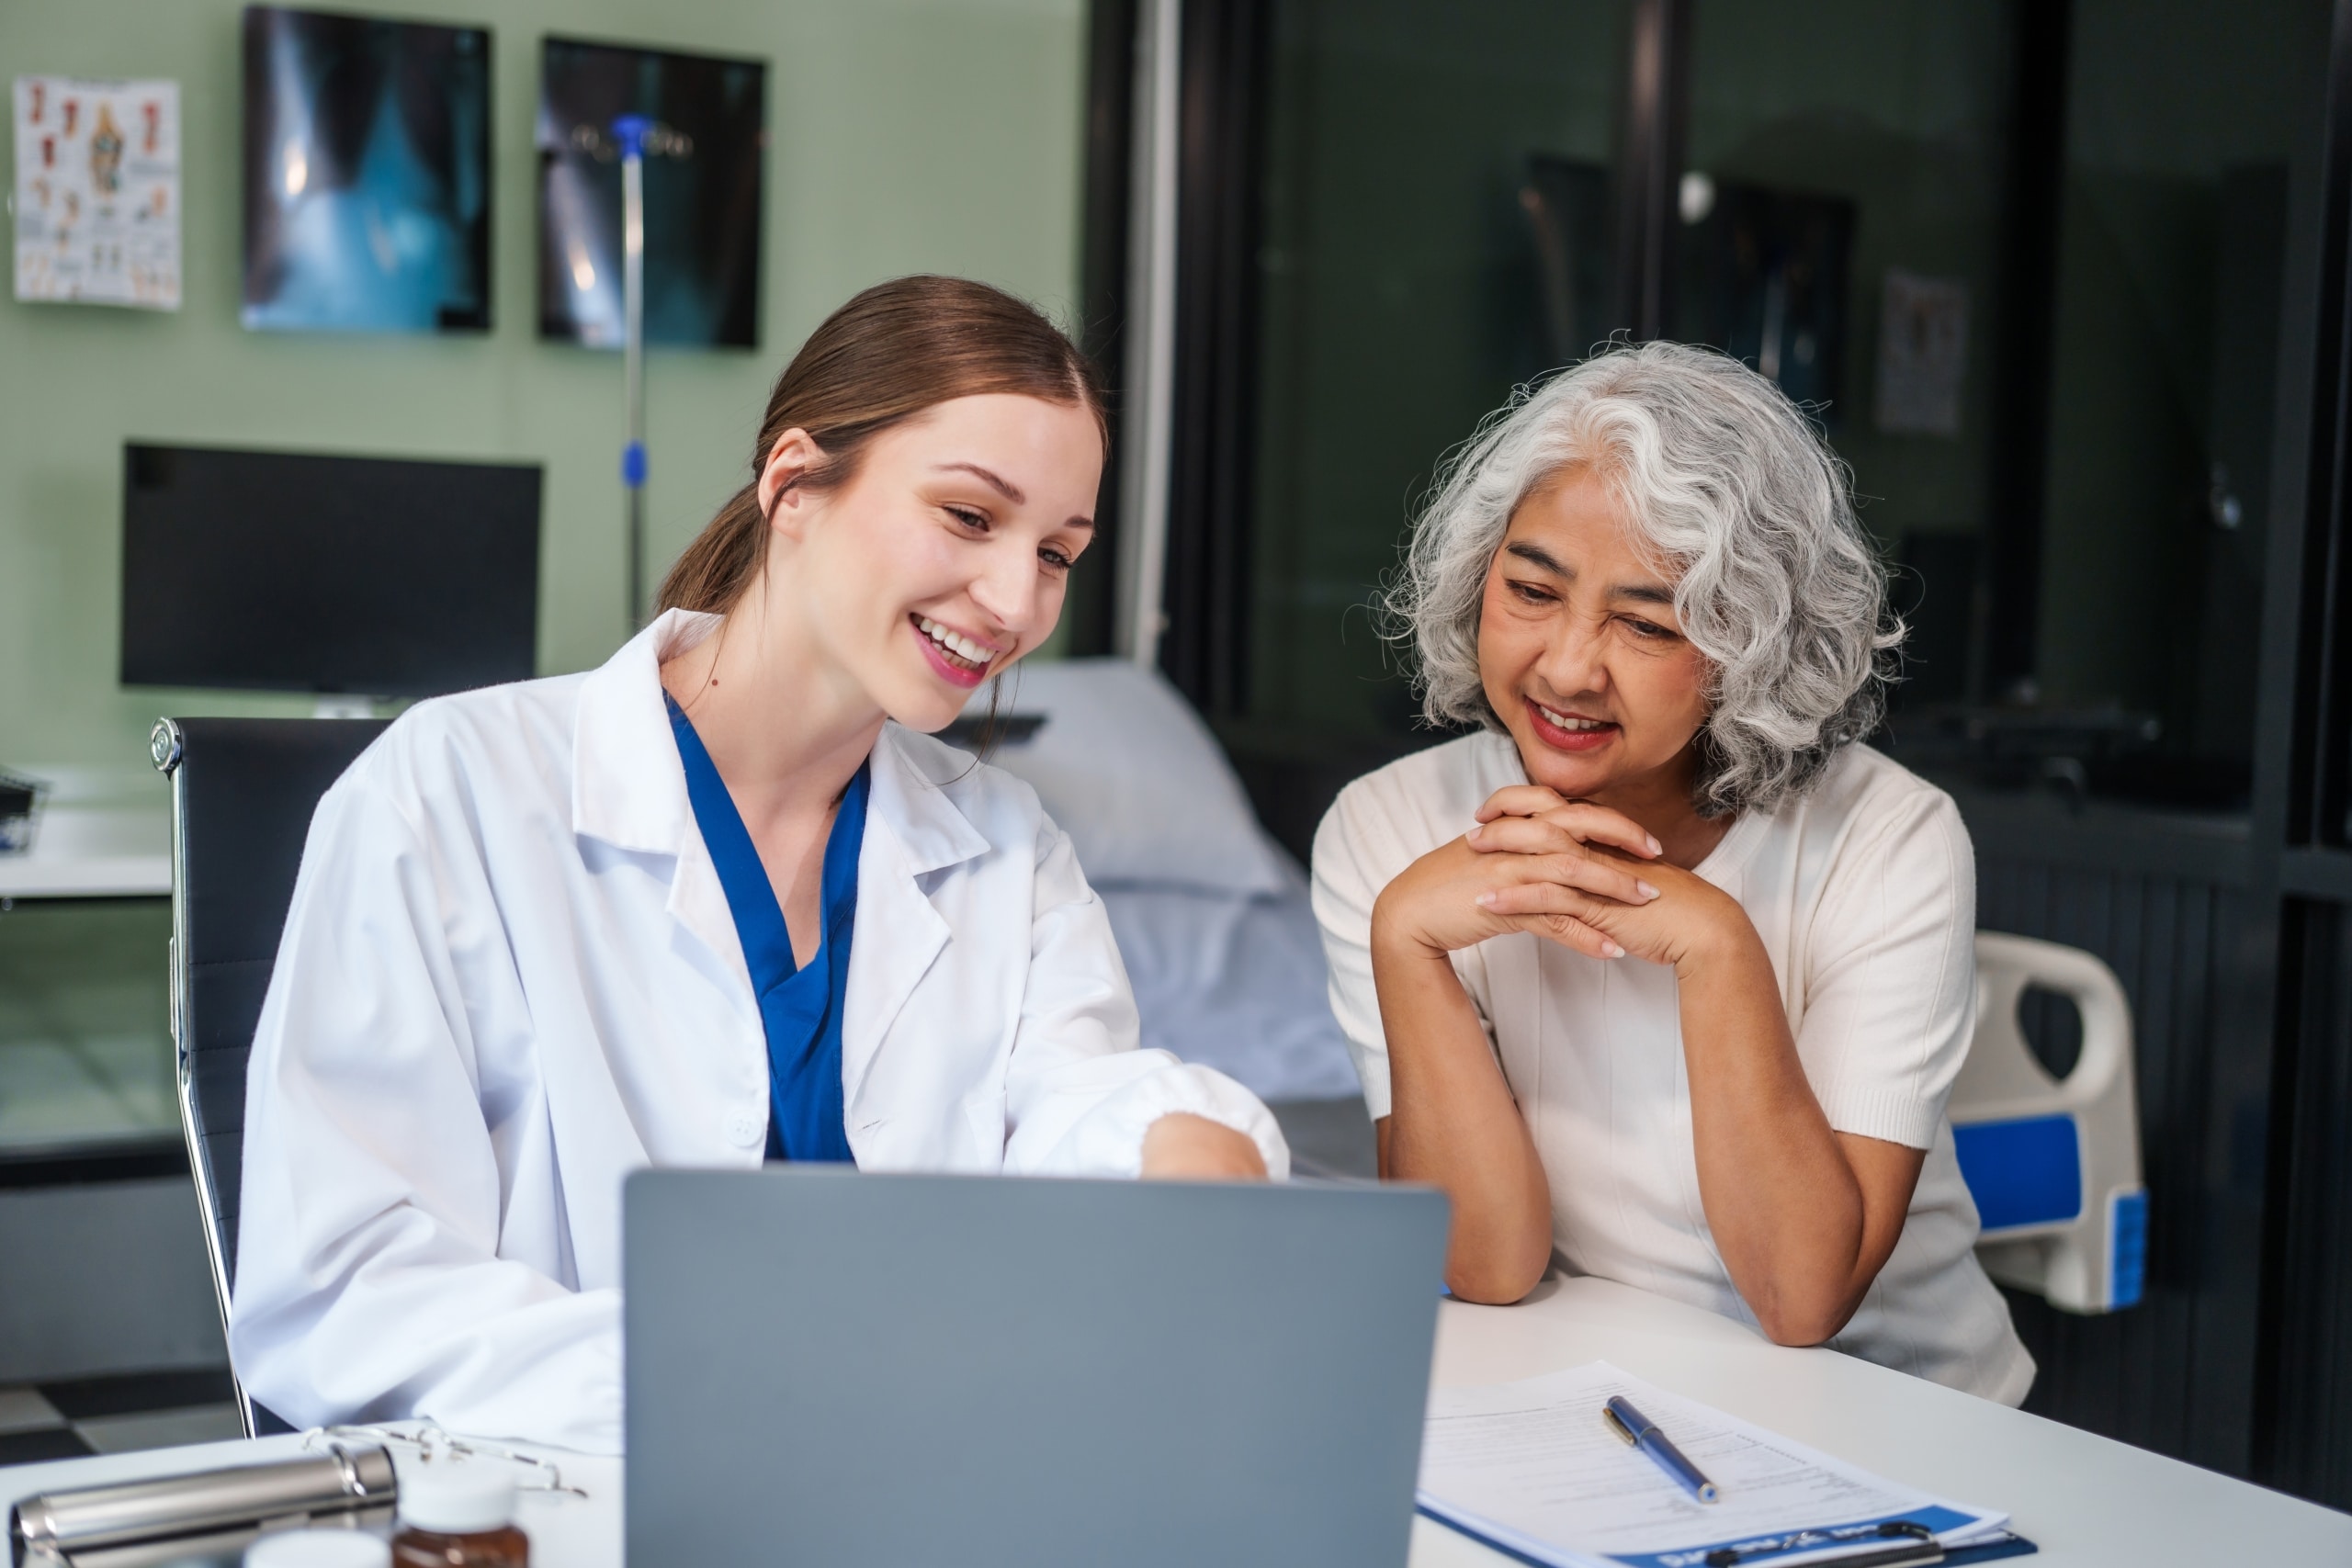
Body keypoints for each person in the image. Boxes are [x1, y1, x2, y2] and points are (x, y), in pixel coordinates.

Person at [232, 276, 1287, 1451]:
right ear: (793, 485)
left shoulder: (1006, 847)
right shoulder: (453, 788)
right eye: (969, 518)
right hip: (574, 1490)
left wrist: (1181, 1138)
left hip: (916, 1486)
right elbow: (344, 1288)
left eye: (1056, 552)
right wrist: (746, 1381)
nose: (1013, 602)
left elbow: (1064, 1100)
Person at [1311, 340, 2030, 1403]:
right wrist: (1405, 942)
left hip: (1901, 1410)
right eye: (1530, 590)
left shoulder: (1890, 838)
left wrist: (1714, 943)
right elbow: (1485, 1268)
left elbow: (1802, 1300)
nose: (1565, 666)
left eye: (1645, 623)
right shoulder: (1389, 829)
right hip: (1601, 1397)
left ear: (1754, 641)